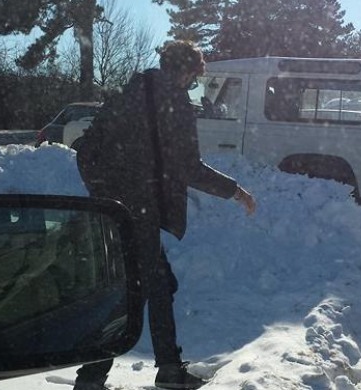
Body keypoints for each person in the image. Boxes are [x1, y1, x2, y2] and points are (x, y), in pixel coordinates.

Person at [74, 40, 256, 390]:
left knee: (155, 287)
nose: (190, 85)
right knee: (134, 294)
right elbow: (189, 167)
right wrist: (235, 190)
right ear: (185, 71)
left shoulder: (128, 94)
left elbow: (86, 150)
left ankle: (166, 369)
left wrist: (106, 197)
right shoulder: (173, 104)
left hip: (116, 213)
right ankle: (93, 377)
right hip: (138, 215)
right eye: (192, 78)